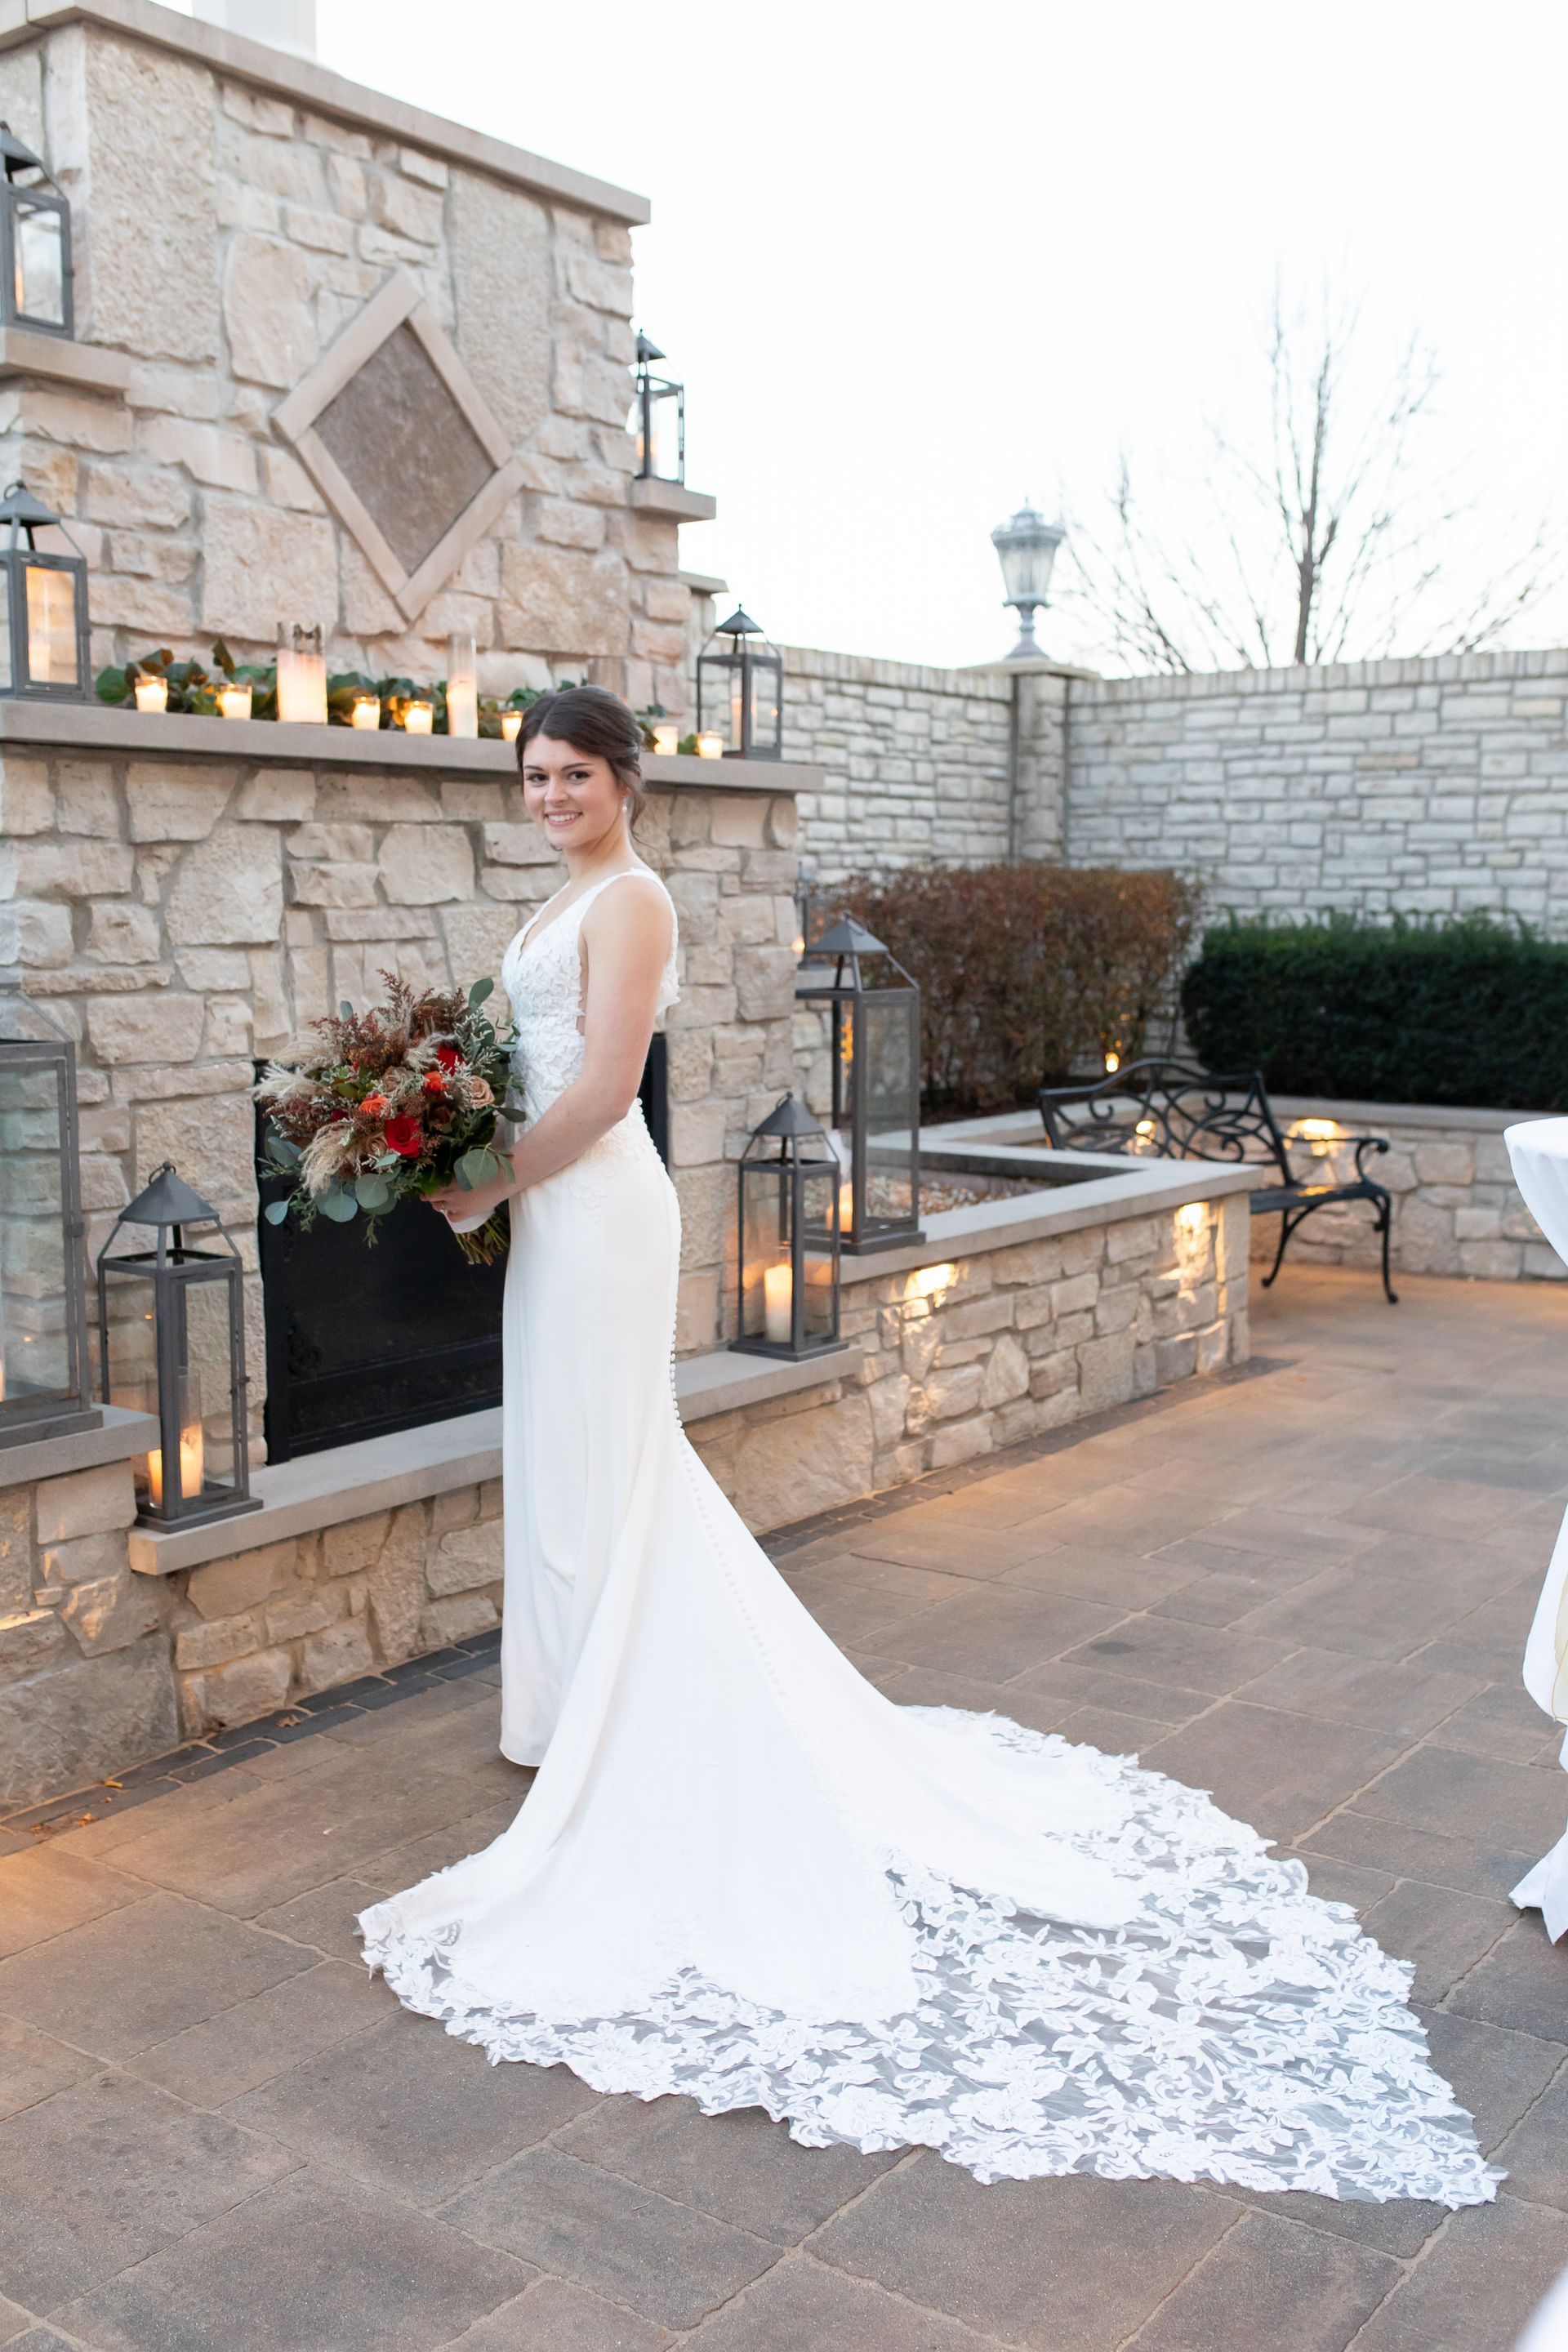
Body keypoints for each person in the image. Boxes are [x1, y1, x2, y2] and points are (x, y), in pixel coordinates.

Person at [359, 685, 1496, 2200]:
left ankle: (617, 1711)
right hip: (553, 1214)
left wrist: (488, 1185)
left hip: (598, 1207)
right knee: (565, 1456)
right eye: (533, 777)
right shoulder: (556, 896)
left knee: (611, 1455)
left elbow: (607, 1088)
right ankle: (567, 1710)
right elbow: (523, 1069)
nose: (550, 794)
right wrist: (447, 1132)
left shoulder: (629, 902)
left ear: (627, 780)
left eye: (572, 773)